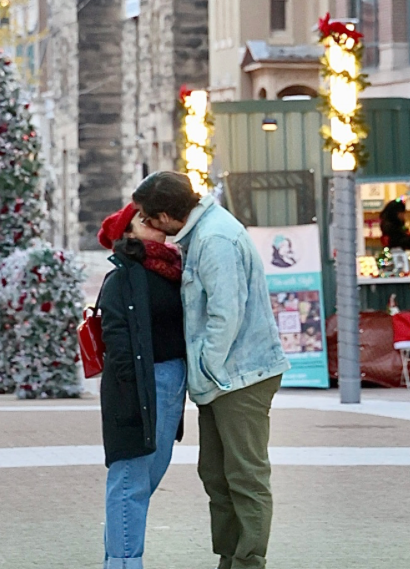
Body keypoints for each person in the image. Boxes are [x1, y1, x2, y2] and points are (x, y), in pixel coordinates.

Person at [133, 171, 288, 569]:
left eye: (148, 218)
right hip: (226, 376)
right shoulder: (204, 233)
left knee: (245, 475)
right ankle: (229, 557)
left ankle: (247, 561)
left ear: (166, 215)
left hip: (240, 375)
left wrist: (205, 367)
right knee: (216, 474)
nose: (148, 225)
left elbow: (225, 315)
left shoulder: (215, 239)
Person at [98, 201, 186, 569]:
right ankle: (123, 563)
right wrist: (132, 385)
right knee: (130, 480)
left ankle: (118, 558)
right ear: (128, 231)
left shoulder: (172, 268)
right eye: (142, 218)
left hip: (172, 379)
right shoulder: (124, 276)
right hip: (142, 383)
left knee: (147, 476)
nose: (152, 221)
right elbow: (116, 334)